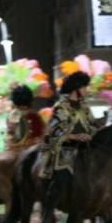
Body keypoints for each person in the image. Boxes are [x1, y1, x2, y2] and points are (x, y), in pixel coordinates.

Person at [40, 71, 96, 201]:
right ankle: (53, 202)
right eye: (84, 87)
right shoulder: (60, 107)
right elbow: (54, 130)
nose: (86, 90)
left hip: (86, 146)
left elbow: (93, 125)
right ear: (76, 89)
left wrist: (90, 135)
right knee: (63, 175)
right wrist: (74, 137)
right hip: (66, 149)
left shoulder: (85, 106)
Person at [5, 85, 45, 152]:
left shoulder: (14, 115)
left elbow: (11, 136)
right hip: (37, 150)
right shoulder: (36, 116)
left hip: (17, 152)